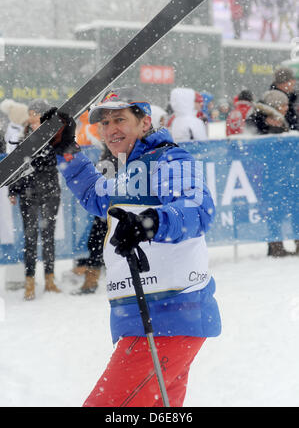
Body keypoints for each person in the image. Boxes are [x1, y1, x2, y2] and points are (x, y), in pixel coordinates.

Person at [40, 87, 220, 407]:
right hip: (150, 317)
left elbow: (196, 209)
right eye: (105, 123)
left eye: (120, 119)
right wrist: (67, 149)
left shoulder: (168, 158)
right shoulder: (129, 170)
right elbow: (96, 195)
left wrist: (149, 223)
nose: (111, 130)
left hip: (169, 318)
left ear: (144, 122)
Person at [8, 99, 61, 300]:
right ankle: (29, 282)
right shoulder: (22, 137)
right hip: (28, 192)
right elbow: (16, 166)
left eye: (36, 113)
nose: (31, 117)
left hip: (50, 192)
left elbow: (56, 159)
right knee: (30, 239)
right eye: (30, 113)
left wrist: (45, 138)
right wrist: (12, 190)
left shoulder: (54, 136)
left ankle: (50, 279)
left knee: (49, 237)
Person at [245, 89, 297, 257]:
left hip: (289, 172)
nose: (286, 108)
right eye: (283, 105)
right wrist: (268, 127)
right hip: (269, 174)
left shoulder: (288, 117)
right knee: (275, 211)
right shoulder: (257, 119)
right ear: (274, 106)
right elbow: (252, 136)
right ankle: (276, 246)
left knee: (295, 208)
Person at [72, 144, 117, 295]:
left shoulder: (117, 148)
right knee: (96, 243)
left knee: (97, 243)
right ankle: (91, 280)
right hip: (108, 205)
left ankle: (92, 281)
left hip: (112, 205)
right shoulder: (110, 148)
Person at [270, 67, 299, 131]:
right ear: (284, 82)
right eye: (292, 79)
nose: (294, 82)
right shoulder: (271, 98)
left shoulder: (292, 98)